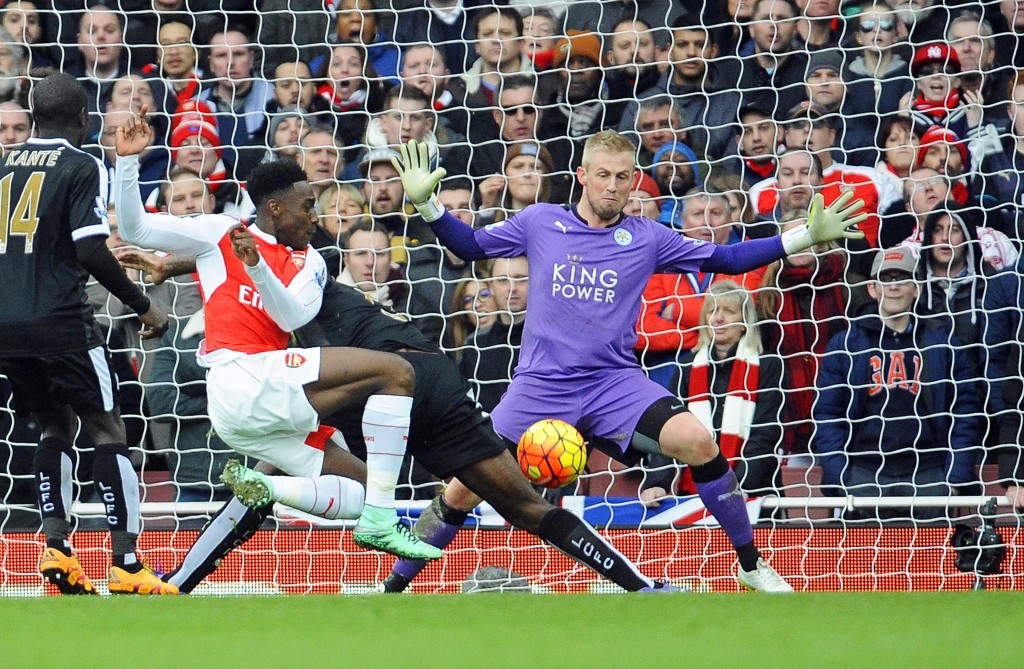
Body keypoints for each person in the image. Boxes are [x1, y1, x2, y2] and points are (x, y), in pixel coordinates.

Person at [383, 130, 869, 592]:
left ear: (635, 179)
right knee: (463, 489)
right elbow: (468, 246)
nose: (612, 186)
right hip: (540, 386)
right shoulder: (540, 222)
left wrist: (802, 237)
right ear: (582, 175)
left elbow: (727, 259)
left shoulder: (648, 237)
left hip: (613, 383)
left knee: (699, 440)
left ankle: (751, 566)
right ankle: (392, 586)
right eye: (603, 175)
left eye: (622, 177)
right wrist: (428, 205)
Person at [117, 257, 682, 594]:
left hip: (377, 384)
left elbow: (234, 252)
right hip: (432, 384)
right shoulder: (307, 286)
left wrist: (169, 268)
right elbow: (236, 252)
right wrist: (173, 266)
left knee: (285, 466)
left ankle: (180, 580)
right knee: (527, 508)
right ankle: (639, 587)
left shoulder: (286, 293)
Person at [112, 106, 439, 561]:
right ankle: (383, 519)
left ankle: (271, 488)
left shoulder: (313, 261)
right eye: (307, 207)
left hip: (260, 402)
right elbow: (136, 228)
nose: (315, 216)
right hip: (238, 379)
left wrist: (258, 269)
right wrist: (127, 162)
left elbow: (290, 317)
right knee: (397, 373)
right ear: (276, 209)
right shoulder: (220, 233)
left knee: (362, 490)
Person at [0, 73, 173, 595]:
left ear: (33, 116)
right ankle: (127, 563)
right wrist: (143, 305)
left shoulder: (3, 164)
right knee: (107, 428)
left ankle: (56, 546)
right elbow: (91, 248)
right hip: (63, 321)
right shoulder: (82, 164)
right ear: (83, 117)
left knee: (53, 426)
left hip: (8, 328)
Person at [813, 246, 983, 521]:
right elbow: (828, 414)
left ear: (917, 288)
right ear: (872, 289)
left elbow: (965, 412)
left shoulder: (943, 342)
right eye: (885, 278)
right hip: (863, 473)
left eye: (902, 278)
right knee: (864, 550)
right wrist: (840, 476)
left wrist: (954, 477)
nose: (893, 287)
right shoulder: (846, 344)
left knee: (931, 550)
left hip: (928, 473)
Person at [641, 280, 783, 505]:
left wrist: (739, 485)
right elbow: (669, 430)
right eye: (712, 311)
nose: (718, 318)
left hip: (754, 494)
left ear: (745, 322)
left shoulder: (769, 366)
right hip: (695, 496)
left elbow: (765, 436)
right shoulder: (687, 367)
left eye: (729, 311)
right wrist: (657, 483)